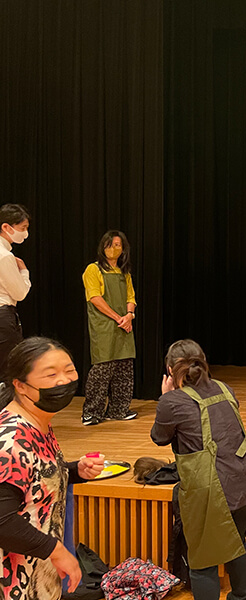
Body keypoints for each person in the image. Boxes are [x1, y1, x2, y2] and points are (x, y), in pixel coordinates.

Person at [151, 339, 246, 600]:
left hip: (213, 487)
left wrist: (166, 396)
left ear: (170, 370)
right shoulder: (225, 388)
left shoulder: (172, 401)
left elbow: (159, 437)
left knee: (202, 561)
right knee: (236, 543)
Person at [0, 337, 105, 600]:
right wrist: (57, 551)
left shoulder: (38, 422)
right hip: (13, 582)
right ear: (20, 385)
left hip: (39, 575)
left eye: (69, 370)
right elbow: (2, 520)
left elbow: (33, 476)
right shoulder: (11, 438)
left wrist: (74, 470)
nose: (64, 381)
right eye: (51, 374)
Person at [81, 230, 137, 425]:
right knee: (102, 368)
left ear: (123, 249)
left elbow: (131, 297)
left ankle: (118, 410)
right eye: (109, 244)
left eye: (117, 245)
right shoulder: (93, 269)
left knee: (124, 367)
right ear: (102, 247)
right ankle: (91, 412)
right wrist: (118, 318)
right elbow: (95, 298)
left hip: (124, 324)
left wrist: (129, 316)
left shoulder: (124, 272)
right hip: (104, 325)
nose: (113, 248)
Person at [0, 204, 31, 383]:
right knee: (9, 371)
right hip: (3, 316)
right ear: (6, 227)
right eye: (23, 228)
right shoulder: (5, 256)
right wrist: (24, 272)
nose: (25, 233)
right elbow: (20, 293)